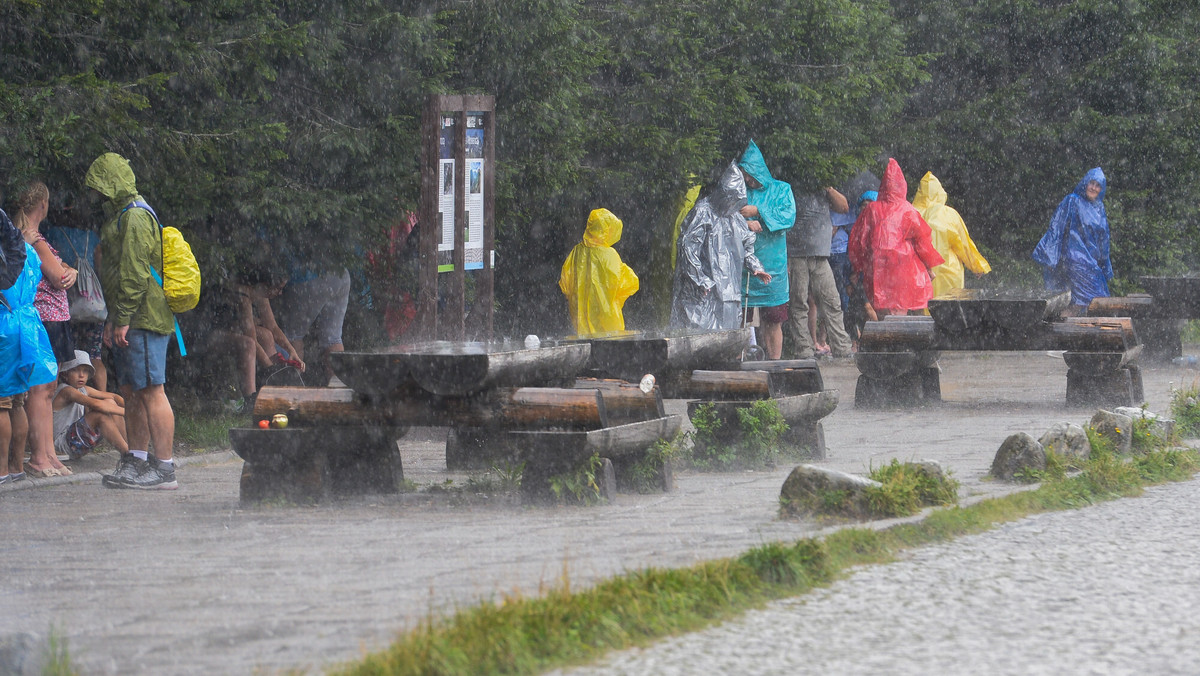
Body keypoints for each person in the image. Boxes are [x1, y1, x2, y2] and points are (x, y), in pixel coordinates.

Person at [86, 152, 178, 489]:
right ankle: (138, 460)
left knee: (153, 390)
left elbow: (136, 274)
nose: (95, 195)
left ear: (111, 185)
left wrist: (121, 318)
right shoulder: (120, 216)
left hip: (145, 319)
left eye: (99, 187)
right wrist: (115, 319)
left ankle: (165, 469)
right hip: (129, 318)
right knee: (132, 392)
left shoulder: (136, 217)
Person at [13, 182, 77, 477]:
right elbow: (58, 275)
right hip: (44, 319)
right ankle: (40, 456)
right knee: (41, 390)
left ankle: (49, 454)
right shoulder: (33, 238)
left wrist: (69, 269)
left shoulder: (33, 238)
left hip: (50, 320)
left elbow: (60, 268)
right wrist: (69, 271)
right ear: (43, 204)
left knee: (48, 389)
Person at [669, 161, 770, 330]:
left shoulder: (734, 218)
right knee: (699, 334)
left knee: (726, 336)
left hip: (729, 291)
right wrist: (699, 279)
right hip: (705, 290)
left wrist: (755, 266)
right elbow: (688, 248)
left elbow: (746, 246)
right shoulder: (703, 212)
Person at [848, 158, 944, 317]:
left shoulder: (872, 209)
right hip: (904, 267)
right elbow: (923, 242)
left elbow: (859, 240)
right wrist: (929, 267)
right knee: (903, 306)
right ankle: (907, 338)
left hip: (878, 267)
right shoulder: (908, 209)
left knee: (885, 309)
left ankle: (890, 339)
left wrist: (858, 267)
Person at [45, 195, 109, 392]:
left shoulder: (52, 234)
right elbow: (101, 270)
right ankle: (100, 397)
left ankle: (59, 397)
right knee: (94, 356)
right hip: (93, 305)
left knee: (65, 354)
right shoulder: (93, 237)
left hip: (66, 305)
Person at [738, 140, 795, 359]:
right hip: (745, 270)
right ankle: (740, 368)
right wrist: (745, 223)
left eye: (749, 174)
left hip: (773, 268)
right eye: (744, 175)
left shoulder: (782, 189)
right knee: (741, 323)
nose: (747, 179)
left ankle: (774, 366)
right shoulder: (739, 192)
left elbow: (788, 217)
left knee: (774, 321)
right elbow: (725, 220)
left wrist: (758, 211)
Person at [785, 184, 853, 360]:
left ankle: (842, 348)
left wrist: (828, 187)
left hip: (821, 255)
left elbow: (843, 207)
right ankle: (804, 350)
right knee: (799, 303)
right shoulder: (791, 184)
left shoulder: (823, 184)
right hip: (796, 254)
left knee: (831, 301)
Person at [1032, 167, 1111, 313]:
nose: (1093, 188)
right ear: (1085, 183)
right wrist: (1050, 254)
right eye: (1091, 183)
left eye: (1098, 185)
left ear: (1102, 189)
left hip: (1091, 262)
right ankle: (1072, 324)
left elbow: (1104, 239)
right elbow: (1056, 227)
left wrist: (1105, 266)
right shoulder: (1072, 201)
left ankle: (1079, 326)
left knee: (1094, 299)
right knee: (1093, 298)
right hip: (1073, 259)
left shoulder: (1099, 209)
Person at [559, 208, 639, 336]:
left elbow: (565, 283)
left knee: (586, 348)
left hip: (580, 319)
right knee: (609, 347)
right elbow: (630, 282)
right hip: (607, 318)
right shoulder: (609, 255)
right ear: (606, 230)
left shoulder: (576, 252)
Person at [912, 171, 991, 298]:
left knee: (923, 313)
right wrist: (976, 266)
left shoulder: (911, 214)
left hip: (921, 273)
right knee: (949, 312)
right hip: (948, 273)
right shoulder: (948, 214)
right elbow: (963, 243)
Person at [0, 207, 31, 484]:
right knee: (18, 402)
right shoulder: (27, 251)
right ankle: (17, 466)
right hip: (19, 325)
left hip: (2, 322)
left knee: (0, 404)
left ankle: (0, 470)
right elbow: (18, 249)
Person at [53, 350, 127, 460]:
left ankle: (130, 449)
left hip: (76, 442)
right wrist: (129, 413)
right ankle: (128, 454)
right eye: (75, 370)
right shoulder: (66, 391)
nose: (81, 375)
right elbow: (97, 405)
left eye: (85, 371)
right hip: (62, 446)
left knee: (110, 403)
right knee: (100, 415)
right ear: (65, 373)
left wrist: (130, 407)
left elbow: (114, 397)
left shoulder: (83, 389)